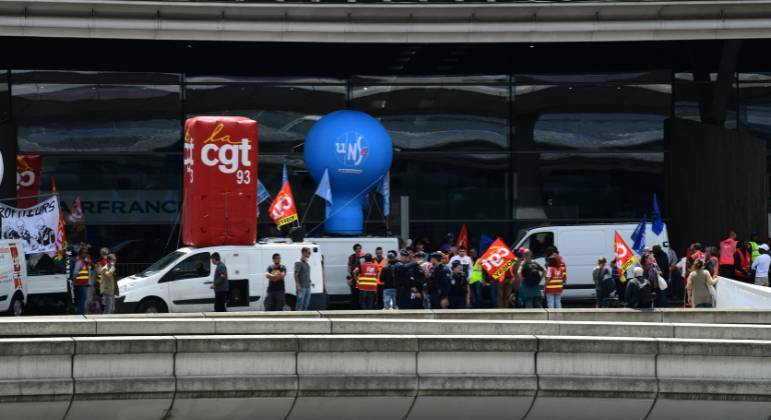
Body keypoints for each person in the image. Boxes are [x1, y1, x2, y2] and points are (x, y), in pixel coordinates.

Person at [72, 248, 93, 315]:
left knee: (82, 298)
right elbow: (75, 273)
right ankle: (80, 313)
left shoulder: (86, 263)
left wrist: (89, 282)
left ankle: (80, 312)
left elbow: (88, 273)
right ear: (80, 254)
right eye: (84, 253)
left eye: (86, 253)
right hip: (79, 284)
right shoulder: (79, 262)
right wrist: (74, 282)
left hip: (84, 284)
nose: (85, 254)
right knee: (82, 298)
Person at [347, 244, 364, 309]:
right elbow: (349, 268)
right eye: (357, 249)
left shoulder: (364, 256)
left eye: (359, 248)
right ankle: (355, 308)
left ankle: (362, 307)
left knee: (361, 294)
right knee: (354, 294)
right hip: (354, 279)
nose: (358, 250)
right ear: (354, 250)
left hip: (362, 279)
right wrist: (349, 278)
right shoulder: (352, 257)